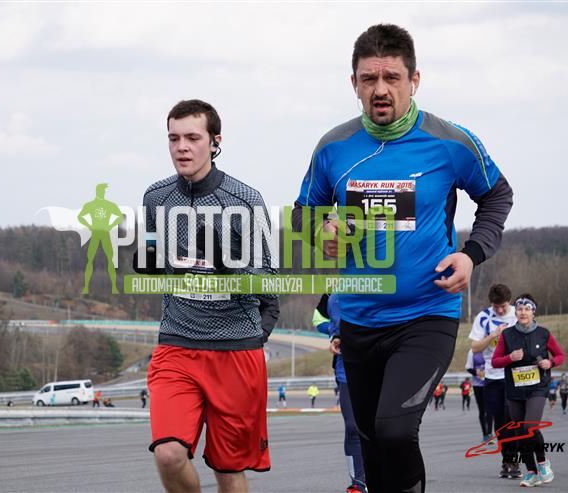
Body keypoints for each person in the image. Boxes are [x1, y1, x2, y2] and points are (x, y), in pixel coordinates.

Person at [293, 24, 513, 492]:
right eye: (368, 79)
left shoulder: (450, 142)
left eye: (391, 77)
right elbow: (303, 214)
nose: (380, 89)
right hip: (358, 320)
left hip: (426, 314)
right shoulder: (333, 147)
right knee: (372, 444)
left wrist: (471, 255)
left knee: (394, 430)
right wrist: (321, 232)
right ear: (353, 84)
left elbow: (497, 196)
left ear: (414, 80)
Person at [139, 99, 279, 493]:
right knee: (169, 454)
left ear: (215, 142)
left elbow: (269, 281)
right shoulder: (155, 197)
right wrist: (150, 261)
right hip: (177, 345)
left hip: (234, 351)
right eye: (173, 138)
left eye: (192, 138)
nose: (181, 147)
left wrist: (228, 267)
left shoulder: (245, 199)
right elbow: (154, 258)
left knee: (228, 470)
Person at [491, 294, 565, 487]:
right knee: (519, 432)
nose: (523, 312)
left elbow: (560, 356)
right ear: (515, 312)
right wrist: (510, 358)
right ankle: (531, 472)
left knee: (529, 427)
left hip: (537, 388)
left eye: (527, 309)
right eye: (519, 309)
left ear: (533, 312)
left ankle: (542, 462)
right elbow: (495, 361)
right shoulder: (507, 335)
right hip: (515, 390)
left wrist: (550, 363)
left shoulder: (544, 333)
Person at [315, 294, 367, 493]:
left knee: (383, 427)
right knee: (353, 427)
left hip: (380, 361)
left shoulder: (383, 281)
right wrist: (334, 334)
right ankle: (358, 483)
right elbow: (318, 319)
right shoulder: (332, 291)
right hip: (346, 368)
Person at [469, 283, 521, 479]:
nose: (499, 310)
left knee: (511, 419)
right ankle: (506, 461)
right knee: (499, 423)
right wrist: (492, 335)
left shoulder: (519, 313)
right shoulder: (483, 317)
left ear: (510, 302)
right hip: (492, 377)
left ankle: (514, 461)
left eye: (503, 306)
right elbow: (475, 348)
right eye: (496, 306)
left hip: (513, 375)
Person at [78, 183, 124, 294]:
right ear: (98, 191)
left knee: (110, 259)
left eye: (104, 191)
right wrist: (89, 225)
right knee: (90, 259)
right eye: (102, 191)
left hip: (105, 233)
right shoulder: (90, 205)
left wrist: (110, 225)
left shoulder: (109, 205)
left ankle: (114, 287)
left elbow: (120, 216)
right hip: (95, 233)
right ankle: (86, 287)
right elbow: (80, 217)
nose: (103, 193)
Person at [466, 349, 492, 442]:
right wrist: (476, 372)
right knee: (482, 410)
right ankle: (485, 434)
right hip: (478, 385)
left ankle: (489, 433)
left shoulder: (491, 348)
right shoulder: (472, 352)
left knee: (490, 409)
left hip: (491, 382)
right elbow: (468, 367)